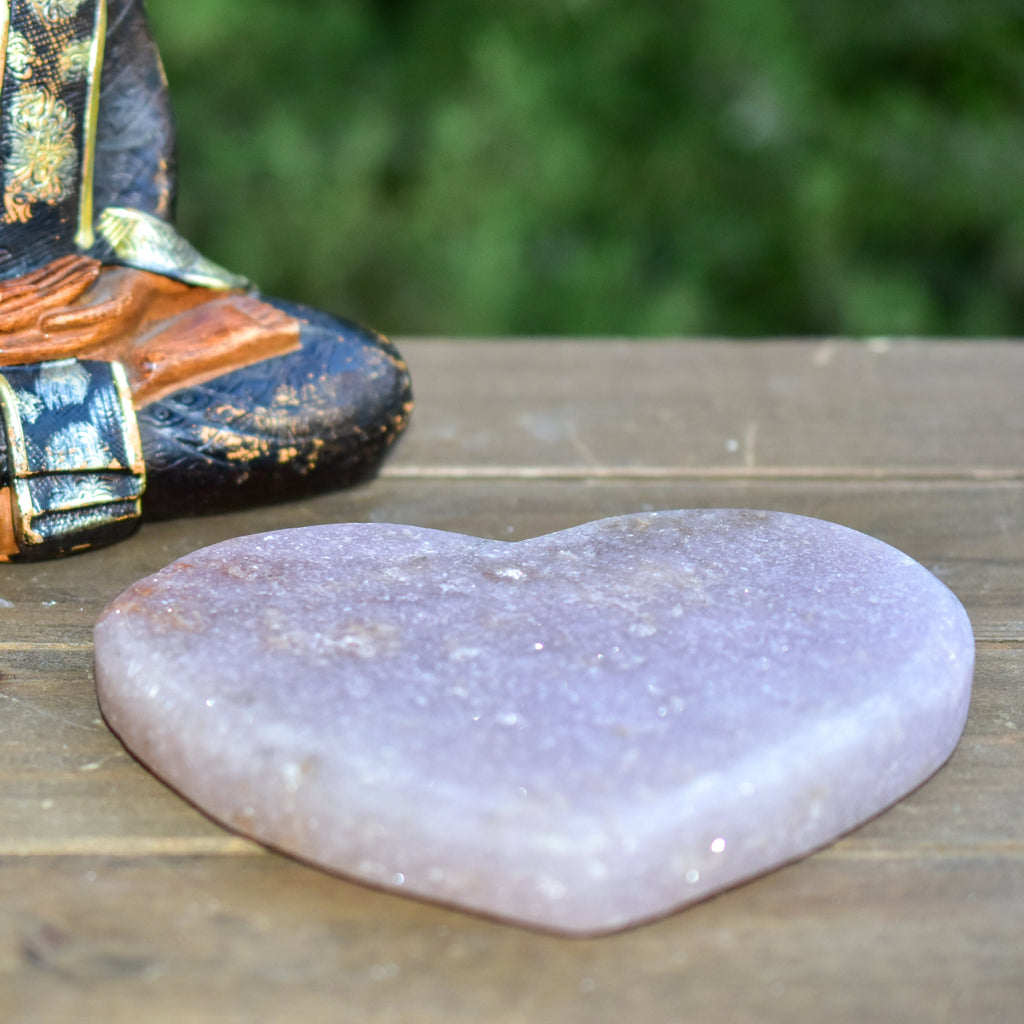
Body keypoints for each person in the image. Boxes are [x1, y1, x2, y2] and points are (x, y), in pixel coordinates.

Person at [0, 0, 411, 559]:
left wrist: (130, 285)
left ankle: (36, 468)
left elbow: (134, 162)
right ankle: (66, 467)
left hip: (74, 328)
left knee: (356, 374)